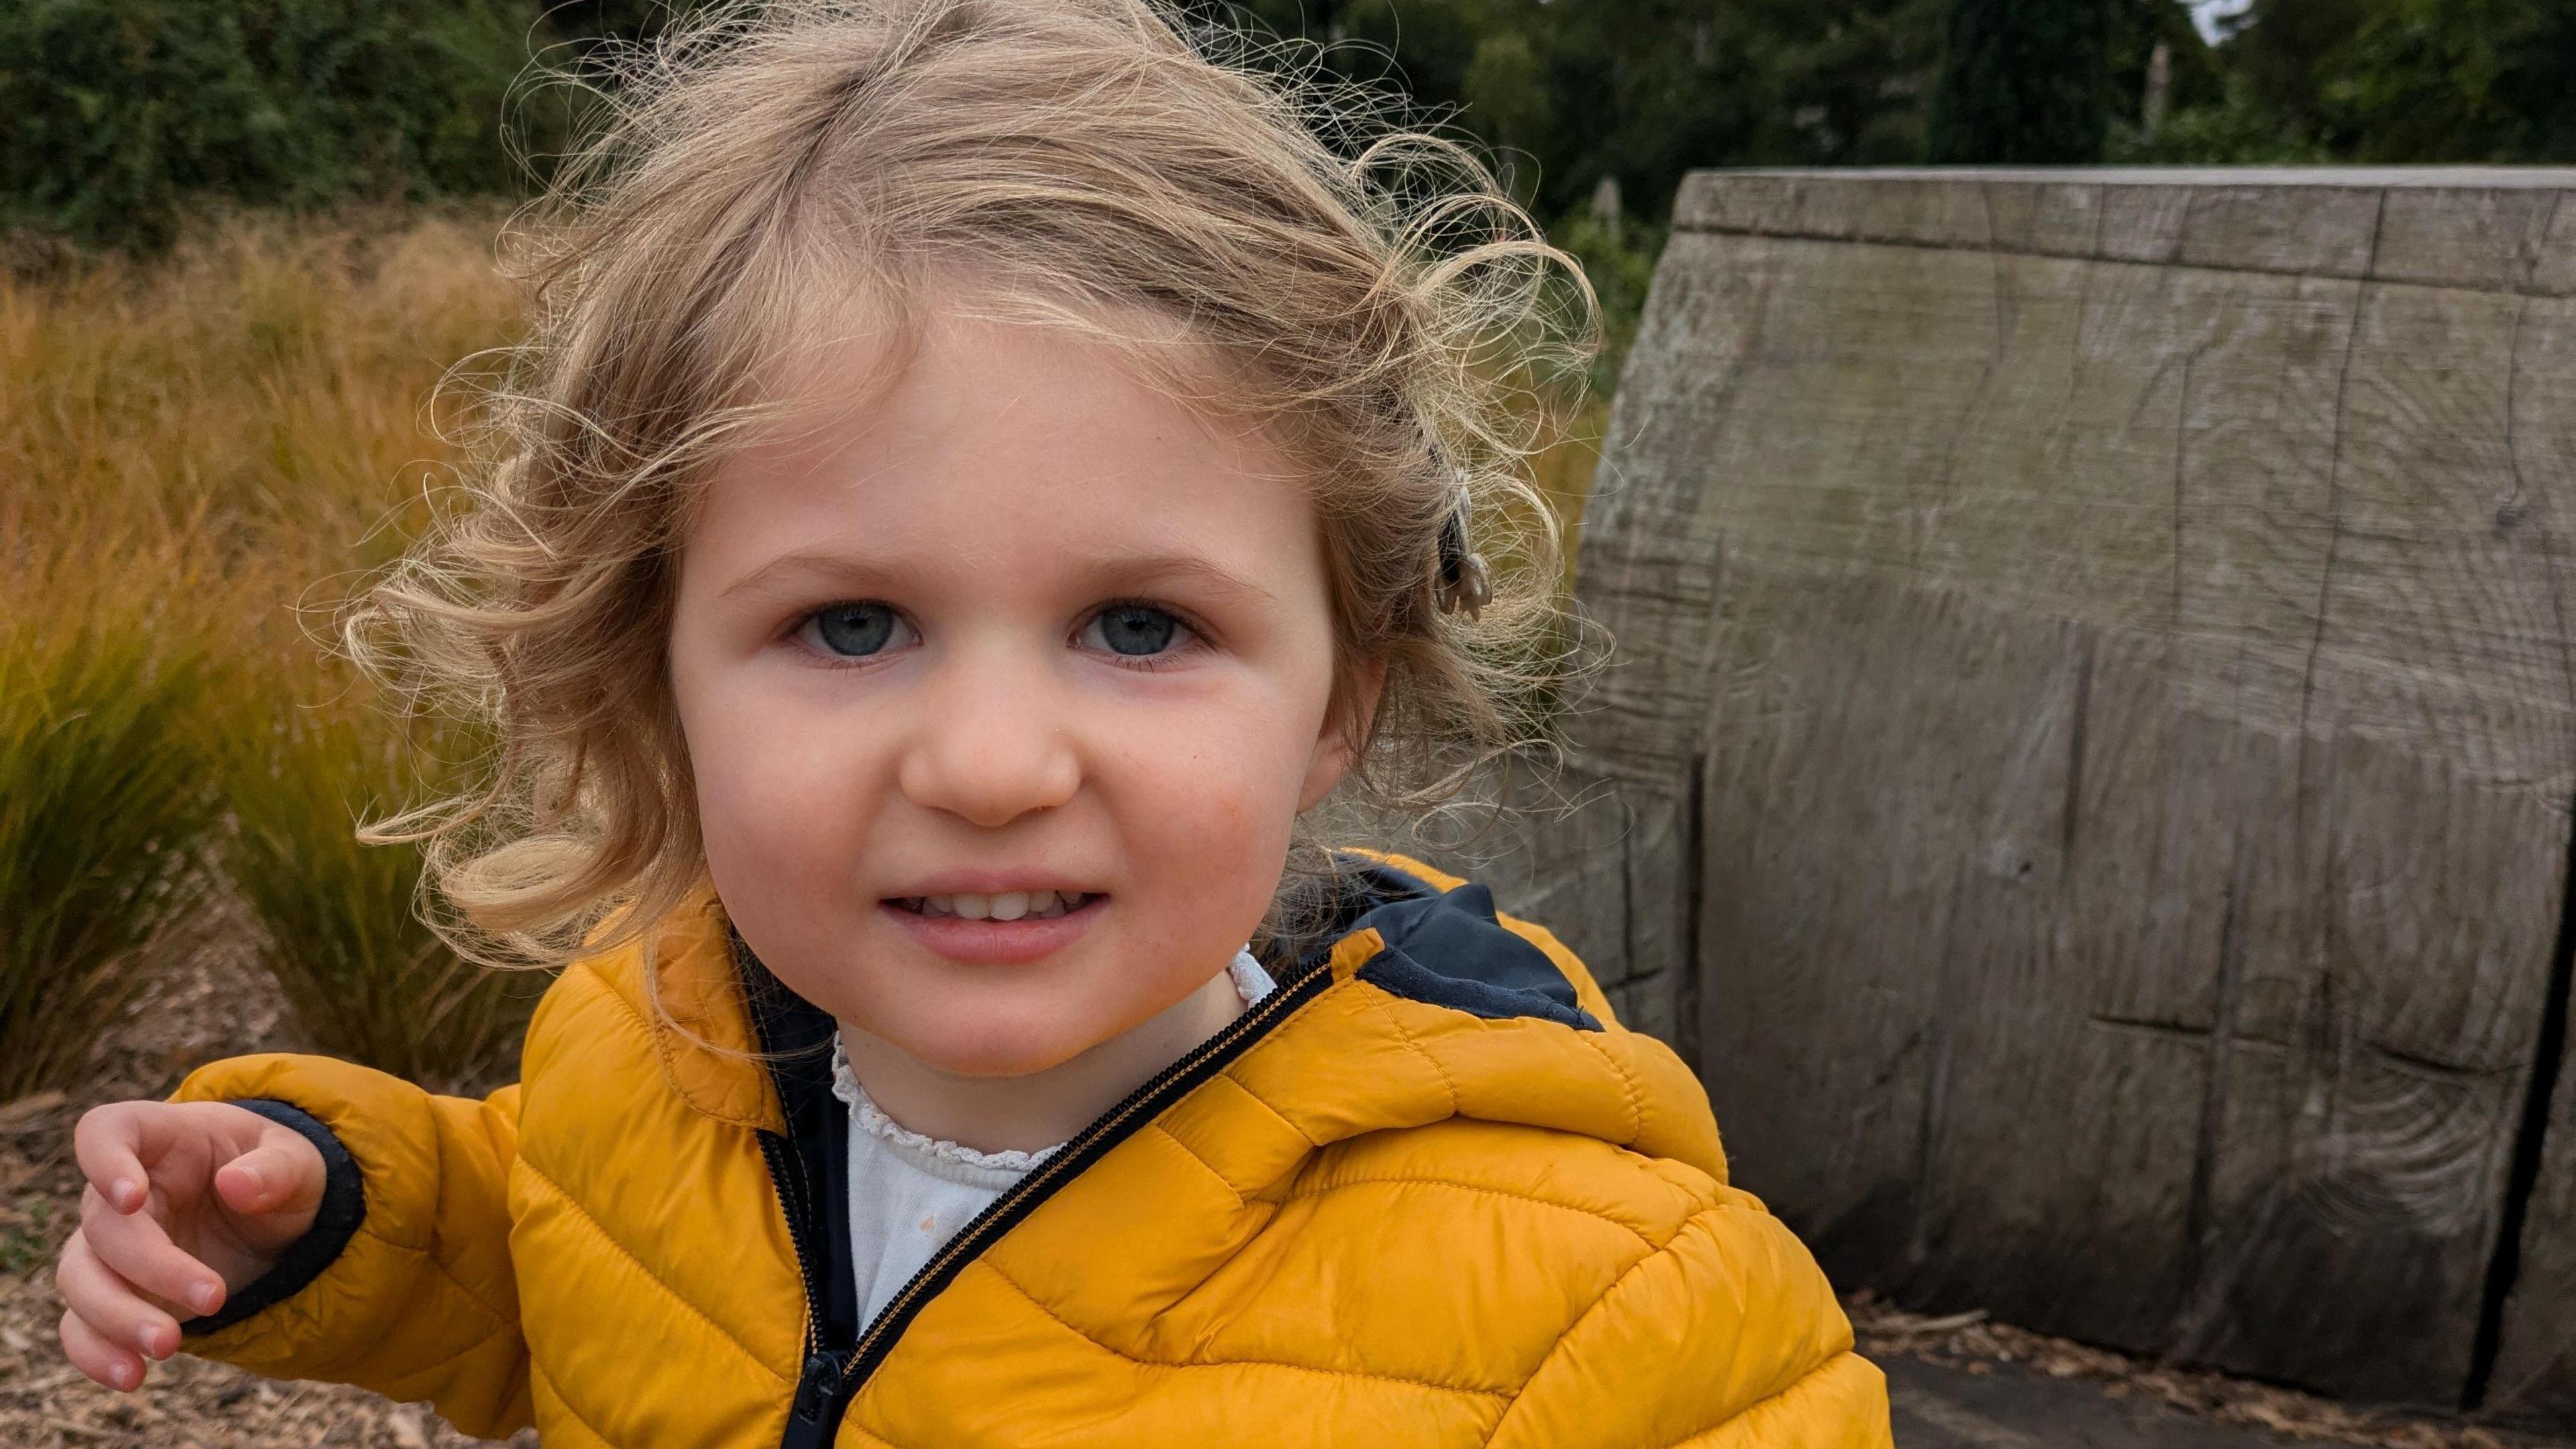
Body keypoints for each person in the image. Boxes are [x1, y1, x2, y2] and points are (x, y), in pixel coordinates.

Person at [50, 1, 1892, 1443]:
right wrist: (337, 1220)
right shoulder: (645, 1059)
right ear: (651, 675)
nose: (994, 767)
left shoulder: (1616, 1332)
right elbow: (586, 1271)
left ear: (1347, 691)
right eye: (852, 624)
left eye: (1140, 624)